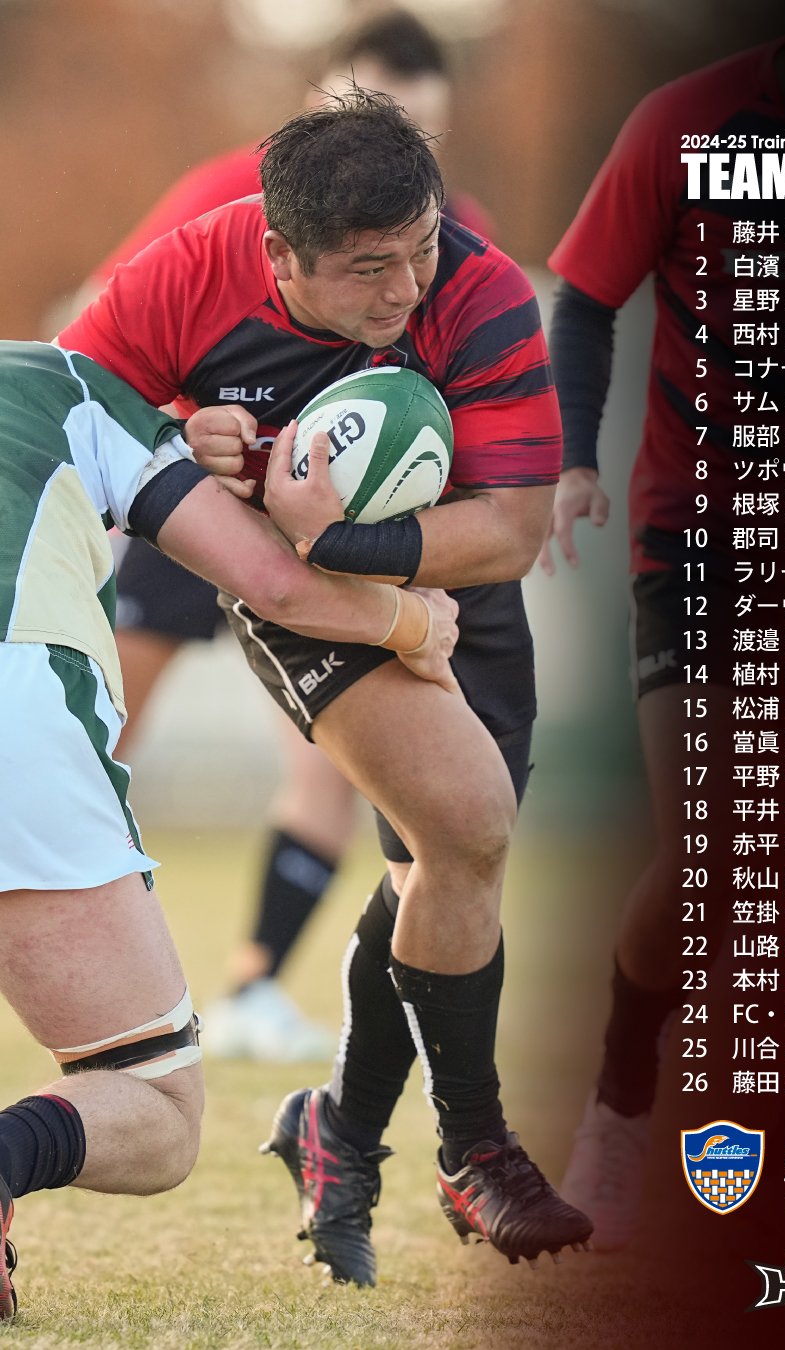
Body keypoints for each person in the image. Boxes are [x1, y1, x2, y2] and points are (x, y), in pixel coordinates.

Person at [58, 88, 592, 1284]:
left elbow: (511, 529)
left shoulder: (480, 288)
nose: (406, 290)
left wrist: (337, 534)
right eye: (368, 268)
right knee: (466, 824)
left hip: (457, 583)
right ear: (281, 255)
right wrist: (171, 439)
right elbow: (68, 426)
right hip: (298, 600)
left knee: (450, 868)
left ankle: (336, 1131)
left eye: (420, 249)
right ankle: (477, 1151)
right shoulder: (186, 274)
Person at [542, 2, 785, 1252]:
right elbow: (586, 297)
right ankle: (622, 1100)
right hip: (701, 543)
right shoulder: (686, 124)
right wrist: (574, 461)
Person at [0, 339, 458, 1320]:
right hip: (21, 730)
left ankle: (257, 980)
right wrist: (417, 624)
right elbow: (276, 584)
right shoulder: (68, 381)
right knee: (155, 1105)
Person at [89, 6, 496, 1064]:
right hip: (197, 507)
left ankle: (256, 986)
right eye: (377, 111)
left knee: (328, 760)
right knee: (102, 730)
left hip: (336, 536)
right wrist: (184, 434)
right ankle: (61, 932)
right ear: (321, 103)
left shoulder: (452, 241)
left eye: (421, 126)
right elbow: (106, 351)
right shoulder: (229, 196)